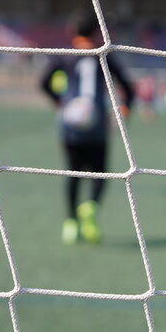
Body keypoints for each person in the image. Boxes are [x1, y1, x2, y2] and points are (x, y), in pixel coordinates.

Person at [41, 14, 135, 245]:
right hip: (97, 123)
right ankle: (91, 207)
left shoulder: (64, 54)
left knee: (73, 173)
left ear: (72, 30)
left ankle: (71, 223)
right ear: (96, 32)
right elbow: (128, 88)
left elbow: (43, 82)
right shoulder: (103, 55)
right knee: (100, 172)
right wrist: (125, 110)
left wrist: (60, 102)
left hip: (71, 122)